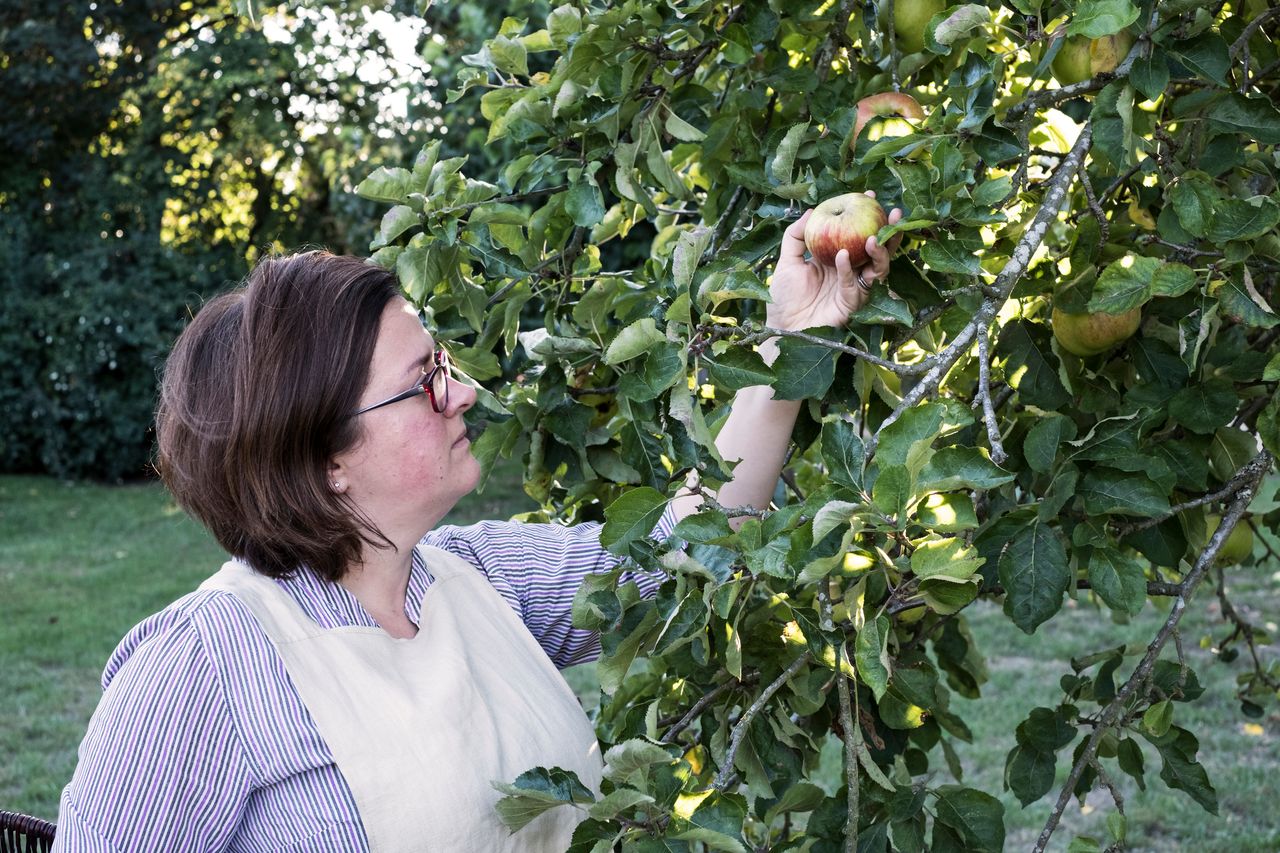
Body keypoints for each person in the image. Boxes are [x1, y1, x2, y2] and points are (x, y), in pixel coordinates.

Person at [52, 198, 899, 852]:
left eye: (442, 364)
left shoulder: (475, 576)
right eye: (422, 379)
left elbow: (687, 548)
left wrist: (794, 338)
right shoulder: (203, 670)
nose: (461, 392)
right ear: (321, 458)